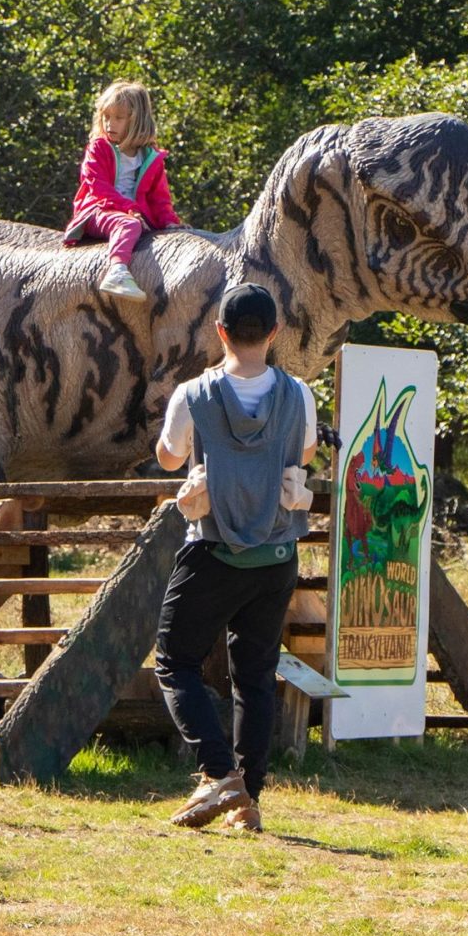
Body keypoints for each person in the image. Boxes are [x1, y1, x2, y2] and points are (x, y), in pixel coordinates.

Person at [150, 282, 316, 831]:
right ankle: (248, 804)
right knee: (256, 677)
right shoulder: (299, 394)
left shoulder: (194, 394)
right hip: (275, 553)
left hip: (214, 548)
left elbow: (170, 459)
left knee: (175, 662)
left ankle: (219, 772)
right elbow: (306, 449)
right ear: (273, 334)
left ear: (220, 332)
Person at [62, 79, 179, 301]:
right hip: (98, 211)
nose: (110, 124)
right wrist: (128, 209)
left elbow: (159, 199)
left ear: (136, 121)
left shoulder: (151, 158)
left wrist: (169, 222)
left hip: (134, 215)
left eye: (118, 118)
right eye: (106, 117)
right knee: (128, 224)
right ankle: (116, 271)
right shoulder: (99, 148)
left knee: (170, 237)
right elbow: (98, 187)